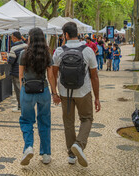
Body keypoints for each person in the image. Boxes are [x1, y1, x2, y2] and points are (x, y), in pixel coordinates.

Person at [52, 22, 100, 167]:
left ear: (66, 35)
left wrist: (54, 93)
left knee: (68, 122)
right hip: (83, 92)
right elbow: (94, 76)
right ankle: (79, 144)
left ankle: (71, 155)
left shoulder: (59, 51)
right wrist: (97, 97)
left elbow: (53, 74)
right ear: (76, 33)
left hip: (65, 92)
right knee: (86, 118)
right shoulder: (87, 51)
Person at [18, 28, 57, 166]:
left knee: (26, 120)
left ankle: (28, 147)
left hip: (27, 90)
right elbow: (51, 76)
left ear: (31, 38)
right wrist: (54, 93)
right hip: (44, 90)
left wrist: (23, 90)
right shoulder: (47, 54)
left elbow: (21, 76)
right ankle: (46, 154)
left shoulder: (23, 54)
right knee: (45, 121)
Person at [8, 31, 27, 112]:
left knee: (18, 90)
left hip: (16, 72)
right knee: (25, 89)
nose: (11, 39)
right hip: (26, 71)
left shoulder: (13, 48)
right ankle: (26, 105)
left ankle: (20, 107)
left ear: (15, 38)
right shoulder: (27, 46)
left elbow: (11, 61)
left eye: (12, 37)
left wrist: (8, 58)